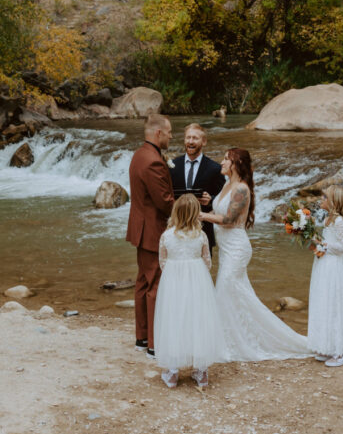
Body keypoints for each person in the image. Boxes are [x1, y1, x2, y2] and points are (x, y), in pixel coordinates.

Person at [201, 147, 311, 361]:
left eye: (226, 159)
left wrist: (202, 215)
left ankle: (235, 344)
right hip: (226, 249)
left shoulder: (241, 189)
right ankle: (232, 338)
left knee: (225, 290)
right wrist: (207, 207)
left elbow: (229, 220)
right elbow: (219, 212)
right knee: (234, 294)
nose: (221, 162)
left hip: (237, 248)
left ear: (236, 165)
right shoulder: (227, 185)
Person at [153, 194, 228, 388]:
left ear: (175, 212)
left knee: (174, 320)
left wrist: (174, 274)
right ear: (196, 214)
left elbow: (162, 262)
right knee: (198, 321)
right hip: (197, 282)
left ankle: (172, 373)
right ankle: (201, 372)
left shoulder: (166, 236)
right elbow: (208, 262)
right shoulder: (201, 236)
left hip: (173, 283)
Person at [125, 112, 175, 356]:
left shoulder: (139, 155)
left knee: (143, 283)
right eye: (168, 132)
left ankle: (142, 338)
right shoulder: (153, 161)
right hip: (153, 230)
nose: (171, 136)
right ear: (158, 133)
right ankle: (155, 344)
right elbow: (164, 201)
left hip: (140, 228)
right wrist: (189, 207)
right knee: (155, 284)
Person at [307, 185, 343, 367]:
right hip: (324, 264)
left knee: (335, 302)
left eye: (325, 197)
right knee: (324, 301)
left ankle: (342, 351)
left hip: (335, 266)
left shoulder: (338, 222)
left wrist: (324, 244)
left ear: (334, 203)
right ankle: (327, 346)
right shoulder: (328, 219)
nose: (321, 200)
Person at [169, 123, 225, 252]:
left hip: (203, 230)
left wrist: (211, 199)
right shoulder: (173, 165)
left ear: (204, 141)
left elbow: (224, 198)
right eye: (188, 138)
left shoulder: (215, 169)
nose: (190, 141)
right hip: (176, 229)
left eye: (195, 138)